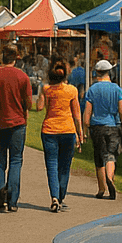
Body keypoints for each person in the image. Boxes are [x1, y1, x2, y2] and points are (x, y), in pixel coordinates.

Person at [0, 44, 33, 212]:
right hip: (18, 123)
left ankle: (0, 192)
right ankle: (12, 199)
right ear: (16, 58)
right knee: (16, 160)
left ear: (1, 57)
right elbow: (29, 103)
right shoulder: (22, 77)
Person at [37, 58, 83, 212]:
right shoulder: (72, 90)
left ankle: (54, 197)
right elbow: (77, 115)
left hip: (49, 130)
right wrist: (80, 133)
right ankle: (61, 195)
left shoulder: (46, 89)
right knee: (65, 166)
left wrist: (41, 93)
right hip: (68, 130)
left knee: (51, 165)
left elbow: (39, 107)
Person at [83, 59, 122, 199]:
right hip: (113, 125)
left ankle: (101, 188)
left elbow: (87, 113)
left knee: (99, 157)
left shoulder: (92, 90)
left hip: (97, 126)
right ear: (110, 72)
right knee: (111, 155)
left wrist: (86, 128)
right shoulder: (117, 89)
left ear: (97, 72)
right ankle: (110, 178)